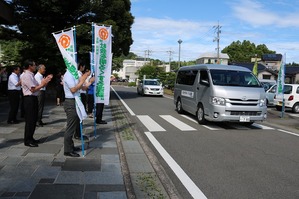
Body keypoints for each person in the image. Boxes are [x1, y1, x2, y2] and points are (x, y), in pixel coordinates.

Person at [21, 60, 52, 147]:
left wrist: (45, 81)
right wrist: (42, 84)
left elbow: (37, 85)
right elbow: (33, 89)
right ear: (30, 66)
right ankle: (27, 140)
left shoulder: (31, 75)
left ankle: (31, 137)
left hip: (33, 98)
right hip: (29, 98)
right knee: (30, 120)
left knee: (33, 119)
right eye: (34, 65)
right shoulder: (27, 75)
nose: (35, 67)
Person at [63, 68, 94, 157]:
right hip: (71, 102)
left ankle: (71, 147)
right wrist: (82, 80)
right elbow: (73, 89)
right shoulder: (68, 75)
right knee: (70, 126)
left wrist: (89, 82)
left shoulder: (73, 75)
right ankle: (67, 150)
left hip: (75, 101)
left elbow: (82, 87)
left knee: (74, 125)